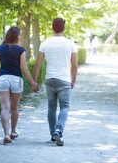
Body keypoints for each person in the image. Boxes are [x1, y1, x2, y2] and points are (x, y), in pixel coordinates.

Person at [33, 18, 78, 146]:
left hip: (50, 79)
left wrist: (34, 82)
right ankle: (59, 130)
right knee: (64, 106)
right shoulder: (70, 44)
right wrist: (73, 80)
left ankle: (53, 134)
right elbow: (74, 66)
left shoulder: (45, 43)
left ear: (52, 28)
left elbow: (38, 64)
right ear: (64, 29)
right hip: (64, 79)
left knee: (51, 107)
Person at [0, 27, 39, 144]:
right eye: (19, 35)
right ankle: (13, 131)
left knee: (5, 108)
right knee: (14, 108)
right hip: (16, 79)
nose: (20, 37)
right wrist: (33, 83)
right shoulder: (20, 50)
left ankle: (6, 135)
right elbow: (24, 69)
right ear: (15, 36)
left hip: (2, 78)